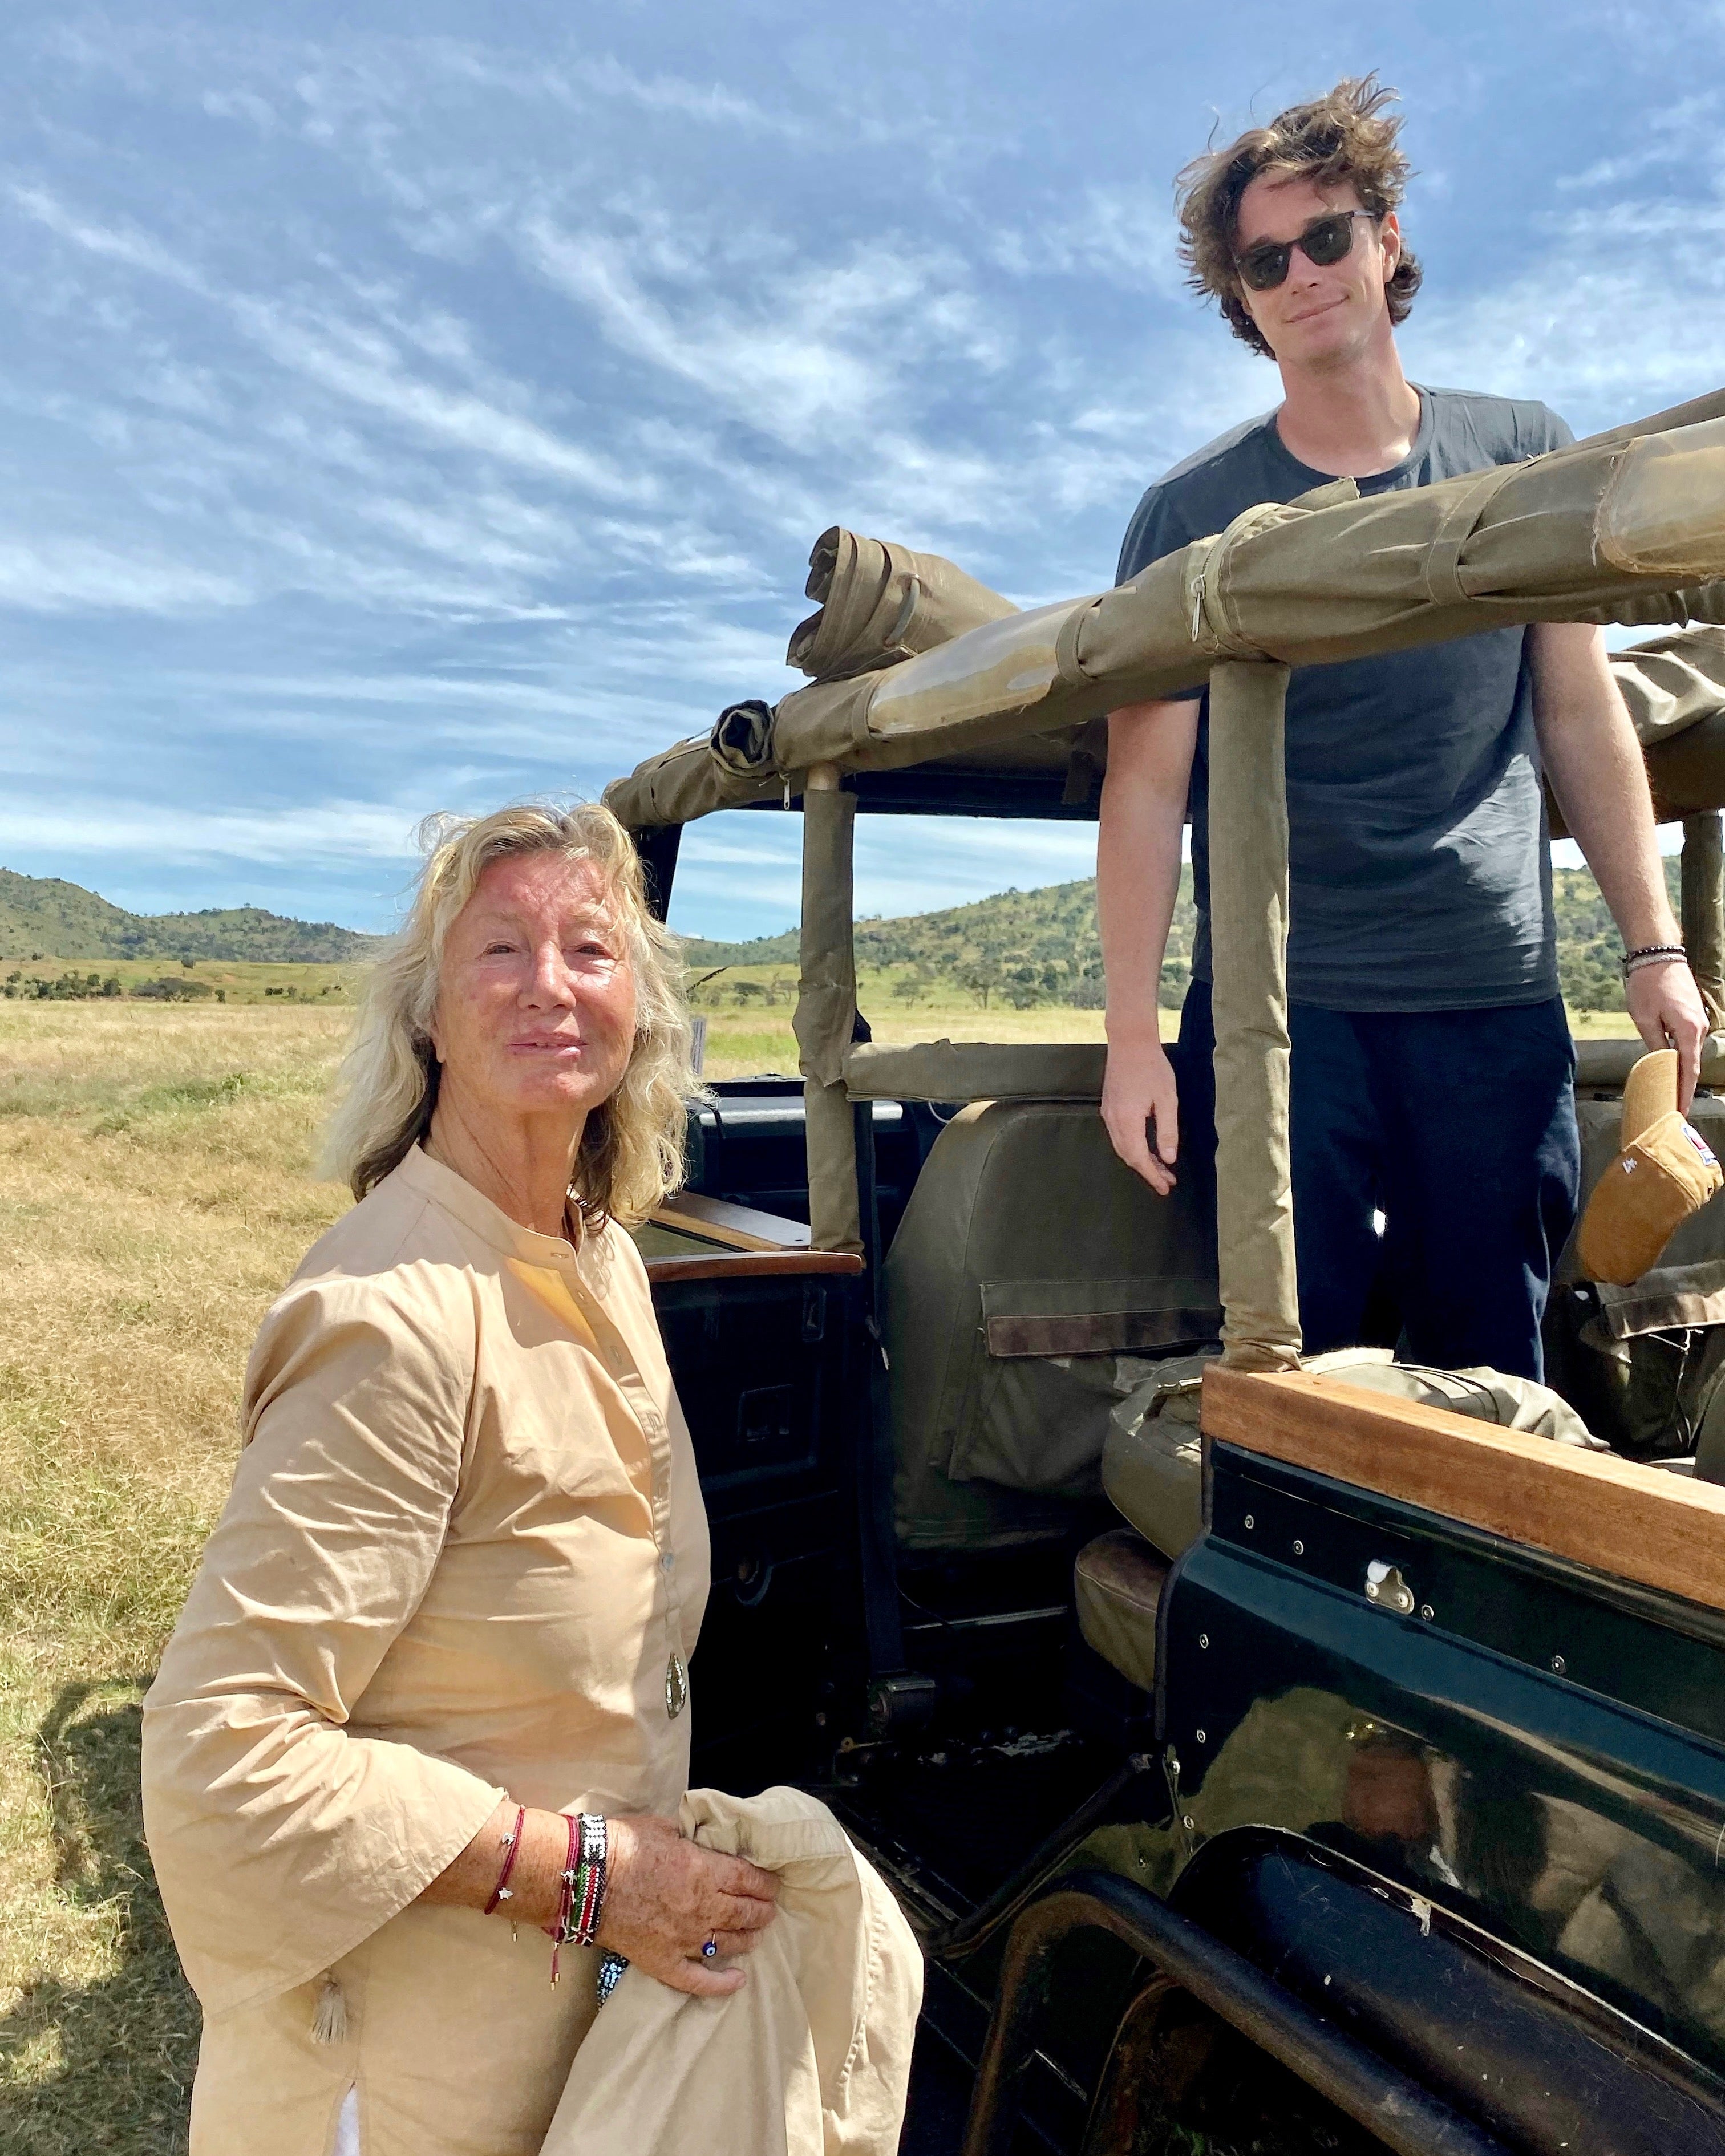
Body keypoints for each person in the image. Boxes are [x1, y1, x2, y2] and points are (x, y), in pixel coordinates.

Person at [141, 804, 781, 2155]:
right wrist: (604, 1880)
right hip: (404, 2076)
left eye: (591, 950)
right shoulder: (394, 1316)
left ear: (640, 1009)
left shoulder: (597, 1254)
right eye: (500, 948)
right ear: (429, 1011)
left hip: (558, 2038)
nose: (550, 984)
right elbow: (223, 1758)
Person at [1097, 75, 1708, 1379]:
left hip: (1491, 998)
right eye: (1268, 260)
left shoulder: (1524, 459)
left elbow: (1576, 713)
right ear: (1245, 302)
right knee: (1298, 1377)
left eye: (1328, 236)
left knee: (1500, 1365)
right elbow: (1146, 789)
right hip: (1276, 1018)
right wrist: (1135, 1038)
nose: (1304, 273)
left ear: (1384, 238)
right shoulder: (1188, 512)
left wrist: (1653, 946)